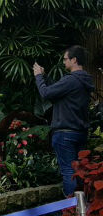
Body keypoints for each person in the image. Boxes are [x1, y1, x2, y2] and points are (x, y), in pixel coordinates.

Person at [33, 45, 94, 197]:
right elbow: (60, 90)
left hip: (65, 133)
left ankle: (71, 211)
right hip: (80, 132)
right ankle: (81, 209)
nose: (63, 62)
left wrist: (38, 77)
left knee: (68, 171)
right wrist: (46, 77)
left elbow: (46, 93)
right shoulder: (84, 80)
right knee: (79, 170)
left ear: (74, 60)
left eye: (66, 59)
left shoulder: (71, 80)